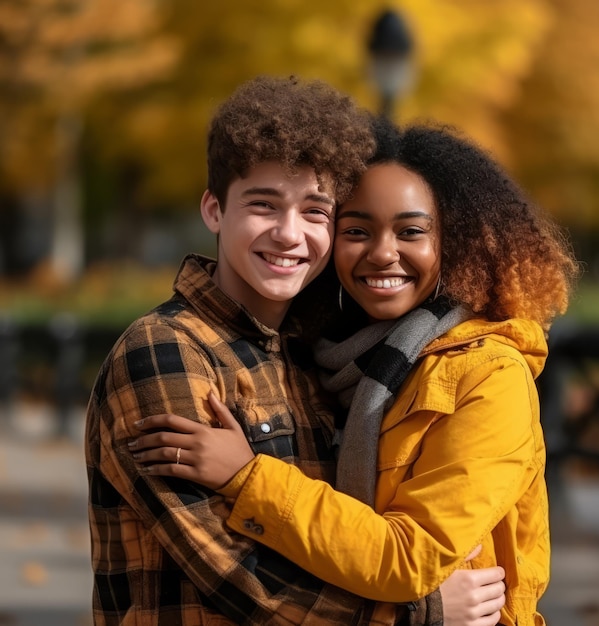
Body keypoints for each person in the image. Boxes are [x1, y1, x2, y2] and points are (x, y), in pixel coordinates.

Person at [86, 77, 505, 626]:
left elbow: (334, 539)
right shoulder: (164, 353)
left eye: (315, 212)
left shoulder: (310, 358)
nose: (289, 234)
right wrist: (418, 612)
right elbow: (237, 580)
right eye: (264, 205)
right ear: (214, 210)